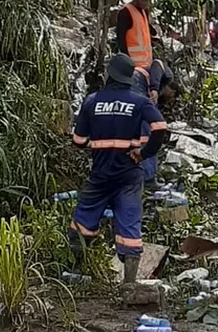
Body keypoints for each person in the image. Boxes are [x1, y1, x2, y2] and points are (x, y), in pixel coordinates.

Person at [70, 53, 167, 288]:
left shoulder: (92, 101)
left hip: (101, 175)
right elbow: (160, 127)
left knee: (83, 220)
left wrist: (97, 143)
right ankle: (130, 283)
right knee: (130, 223)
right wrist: (144, 153)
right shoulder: (139, 101)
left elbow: (78, 140)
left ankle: (77, 273)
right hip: (129, 174)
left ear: (108, 76)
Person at [131, 59, 177, 190]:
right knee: (148, 133)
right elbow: (158, 63)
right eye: (172, 95)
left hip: (123, 92)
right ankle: (149, 178)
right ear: (172, 90)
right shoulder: (167, 77)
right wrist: (155, 89)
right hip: (135, 89)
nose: (170, 97)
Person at [116, 0, 157, 67]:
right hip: (133, 67)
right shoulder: (125, 13)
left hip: (146, 65)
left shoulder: (144, 11)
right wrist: (127, 63)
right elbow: (121, 41)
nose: (147, 2)